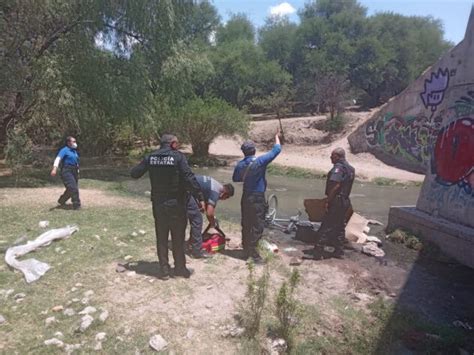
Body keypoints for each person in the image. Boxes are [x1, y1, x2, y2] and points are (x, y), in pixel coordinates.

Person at [130, 134, 205, 280]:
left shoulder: (151, 157)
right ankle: (180, 269)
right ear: (173, 144)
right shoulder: (178, 157)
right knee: (178, 237)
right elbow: (188, 177)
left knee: (162, 236)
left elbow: (135, 173)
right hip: (176, 203)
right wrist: (200, 197)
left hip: (158, 203)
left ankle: (164, 270)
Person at [233, 129, 281, 263]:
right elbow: (277, 150)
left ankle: (245, 250)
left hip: (246, 197)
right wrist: (276, 136)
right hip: (257, 197)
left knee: (246, 223)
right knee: (258, 225)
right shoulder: (260, 161)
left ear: (244, 152)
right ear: (254, 150)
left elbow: (236, 179)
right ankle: (254, 254)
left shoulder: (240, 164)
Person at [314, 147, 355, 259]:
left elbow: (336, 185)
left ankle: (318, 252)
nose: (331, 158)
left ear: (337, 156)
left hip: (336, 201)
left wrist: (328, 201)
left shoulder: (339, 168)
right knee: (340, 226)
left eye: (332, 156)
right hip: (345, 201)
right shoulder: (351, 169)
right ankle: (339, 251)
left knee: (326, 226)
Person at [186, 175, 234, 258]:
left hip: (187, 187)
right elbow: (209, 213)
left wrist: (212, 219)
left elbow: (206, 206)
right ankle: (196, 251)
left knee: (194, 216)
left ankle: (191, 242)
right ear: (225, 193)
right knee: (197, 219)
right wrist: (213, 223)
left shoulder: (216, 186)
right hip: (187, 190)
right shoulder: (216, 192)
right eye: (225, 198)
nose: (222, 200)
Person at [51, 136, 81, 210]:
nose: (75, 143)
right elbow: (58, 159)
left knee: (70, 189)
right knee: (73, 188)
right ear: (68, 143)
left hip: (74, 171)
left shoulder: (74, 151)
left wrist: (77, 171)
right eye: (73, 141)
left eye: (75, 141)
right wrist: (54, 169)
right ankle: (76, 205)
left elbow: (76, 162)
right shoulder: (64, 150)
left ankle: (61, 200)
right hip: (66, 171)